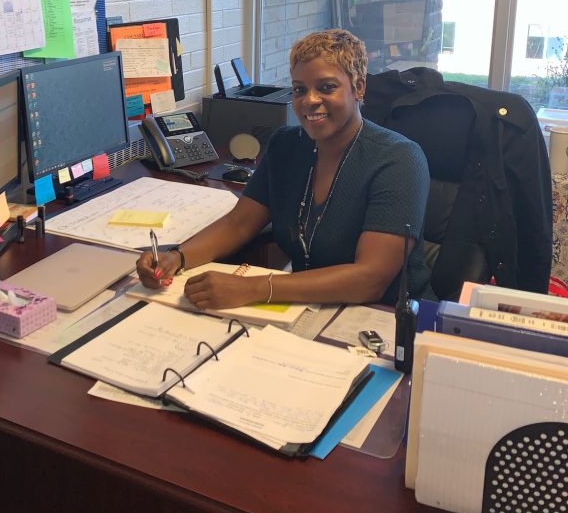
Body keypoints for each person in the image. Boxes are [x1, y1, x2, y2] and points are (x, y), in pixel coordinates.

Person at [136, 29, 432, 310]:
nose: (310, 101)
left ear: (358, 87)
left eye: (327, 87)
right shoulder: (286, 146)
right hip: (310, 305)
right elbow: (238, 224)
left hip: (387, 316)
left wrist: (252, 288)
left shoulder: (398, 159)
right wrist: (176, 258)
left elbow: (370, 279)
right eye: (299, 90)